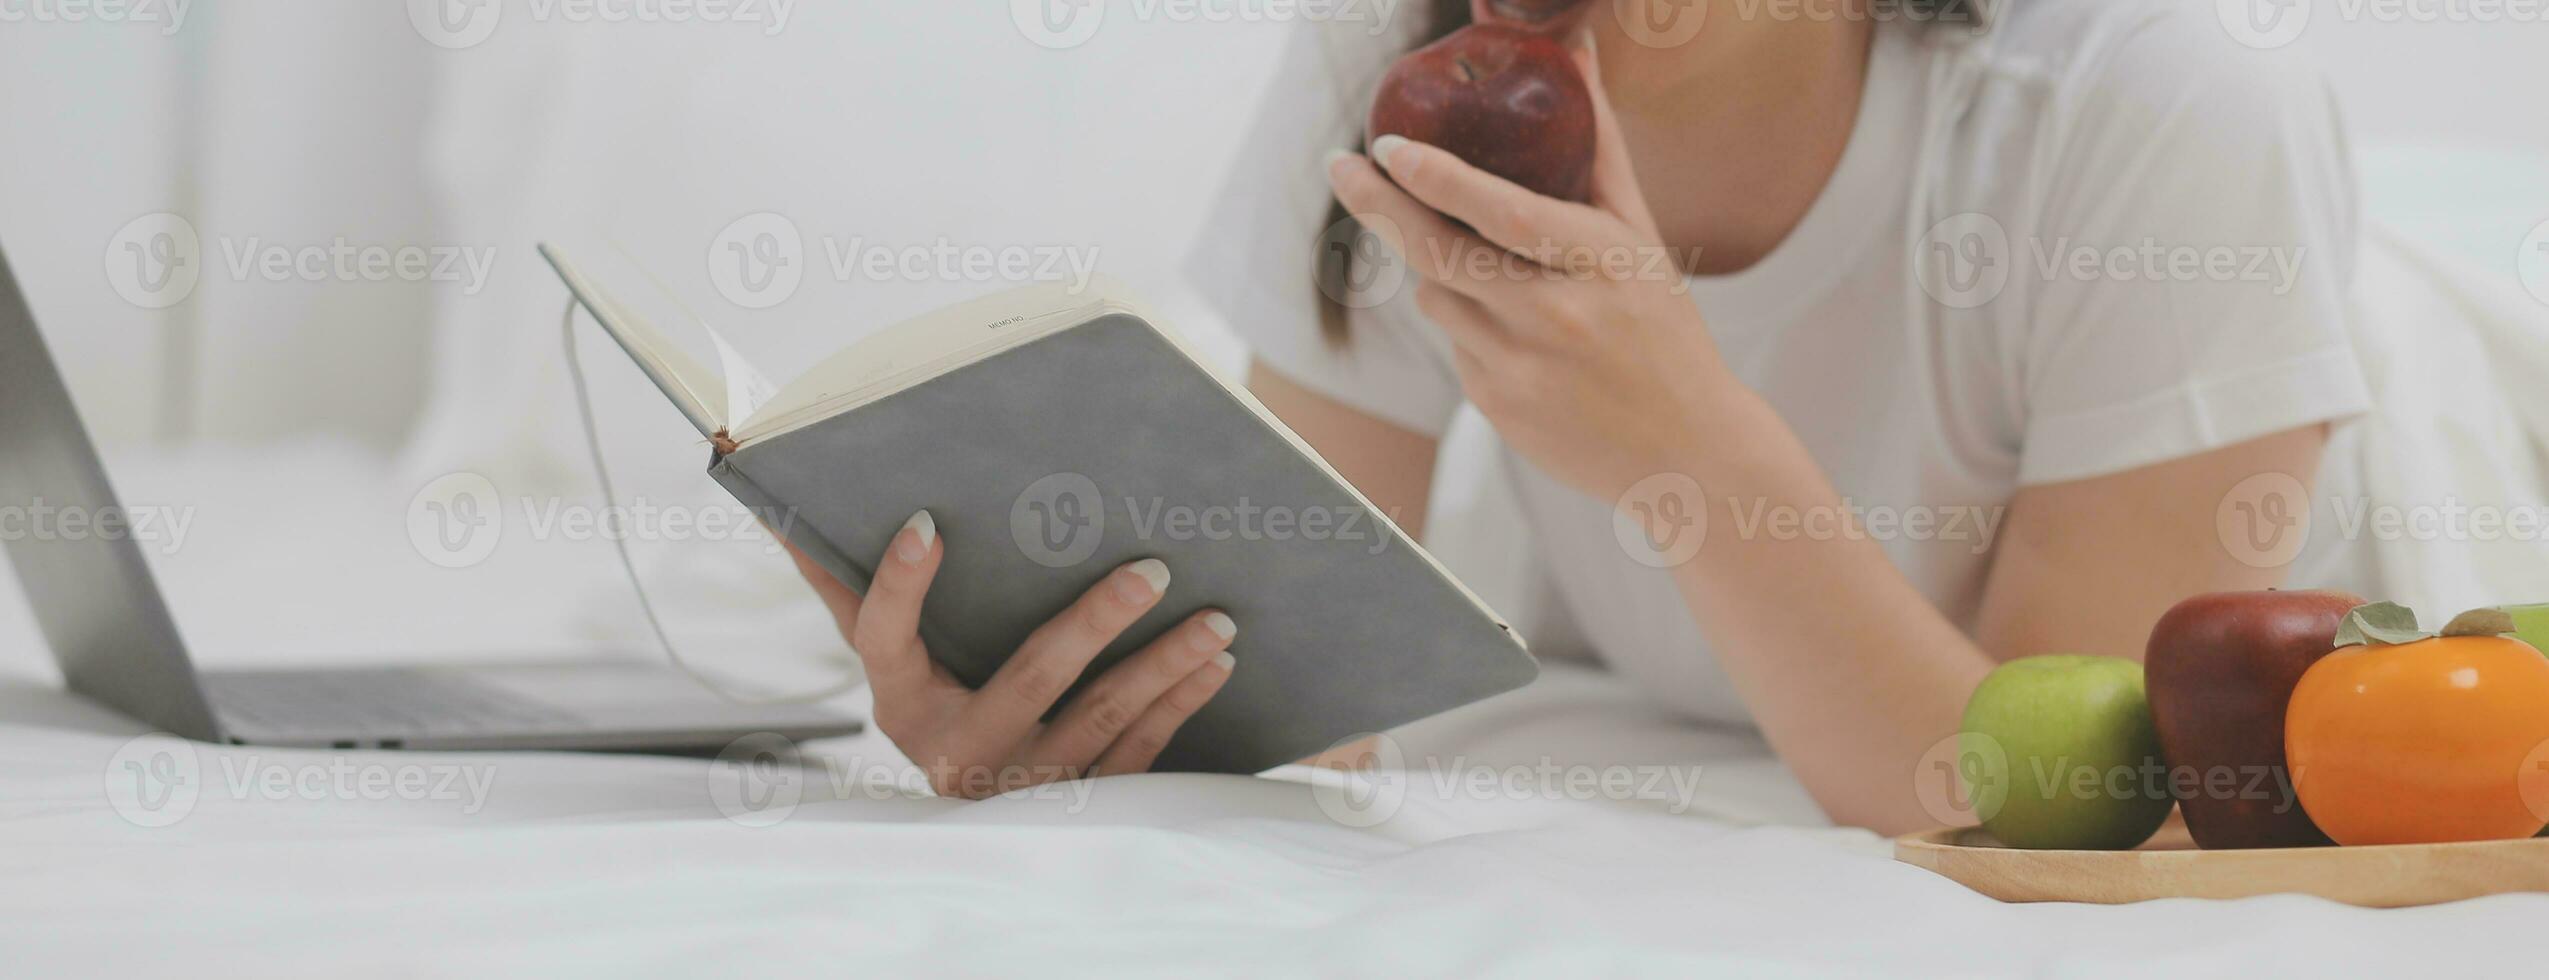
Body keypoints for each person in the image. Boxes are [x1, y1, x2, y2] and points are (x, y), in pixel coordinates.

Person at [796, 0, 2549, 831]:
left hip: (2418, 523)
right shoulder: (1392, 56)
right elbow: (1289, 687)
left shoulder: (2163, 102)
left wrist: (1687, 445)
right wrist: (1064, 735)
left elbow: (2060, 808)